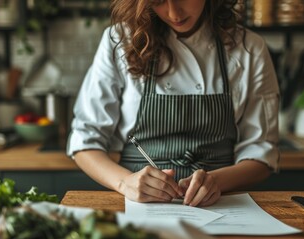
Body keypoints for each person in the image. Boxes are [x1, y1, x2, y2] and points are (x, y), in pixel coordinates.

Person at [67, 0, 279, 207]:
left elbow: (261, 152)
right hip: (139, 206)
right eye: (158, 1)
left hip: (222, 204)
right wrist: (125, 183)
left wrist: (216, 181)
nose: (174, 13)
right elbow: (85, 141)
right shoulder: (120, 40)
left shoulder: (249, 48)